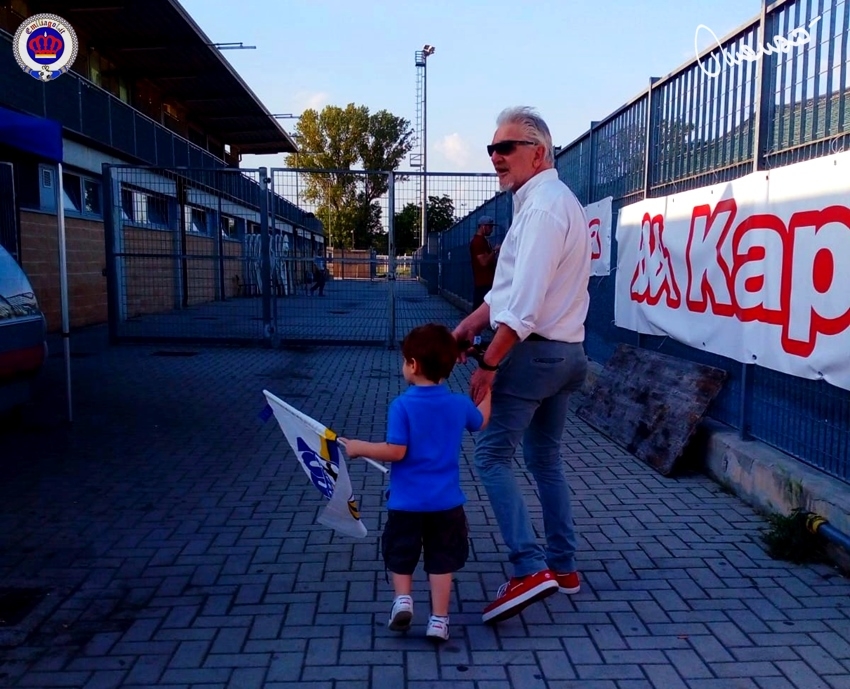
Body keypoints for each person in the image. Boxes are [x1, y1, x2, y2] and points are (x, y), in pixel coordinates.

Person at [452, 106, 591, 625]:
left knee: (491, 457)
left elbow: (524, 307)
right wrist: (468, 326)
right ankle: (564, 567)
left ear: (538, 152)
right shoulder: (550, 202)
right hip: (567, 355)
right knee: (545, 460)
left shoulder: (543, 211)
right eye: (492, 148)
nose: (495, 157)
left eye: (506, 148)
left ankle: (529, 568)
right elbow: (507, 291)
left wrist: (488, 365)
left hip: (534, 356)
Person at [340, 323, 491, 642]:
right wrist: (488, 389)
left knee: (401, 553)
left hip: (406, 502)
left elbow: (396, 451)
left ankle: (403, 601)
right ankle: (439, 620)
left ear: (412, 364)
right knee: (441, 561)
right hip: (446, 503)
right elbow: (480, 422)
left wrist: (358, 447)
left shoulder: (402, 405)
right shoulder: (458, 405)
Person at [469, 215, 499, 310]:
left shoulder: (483, 241)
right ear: (483, 226)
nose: (491, 230)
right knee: (480, 309)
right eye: (490, 227)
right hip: (483, 283)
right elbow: (483, 262)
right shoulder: (478, 242)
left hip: (486, 282)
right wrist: (495, 251)